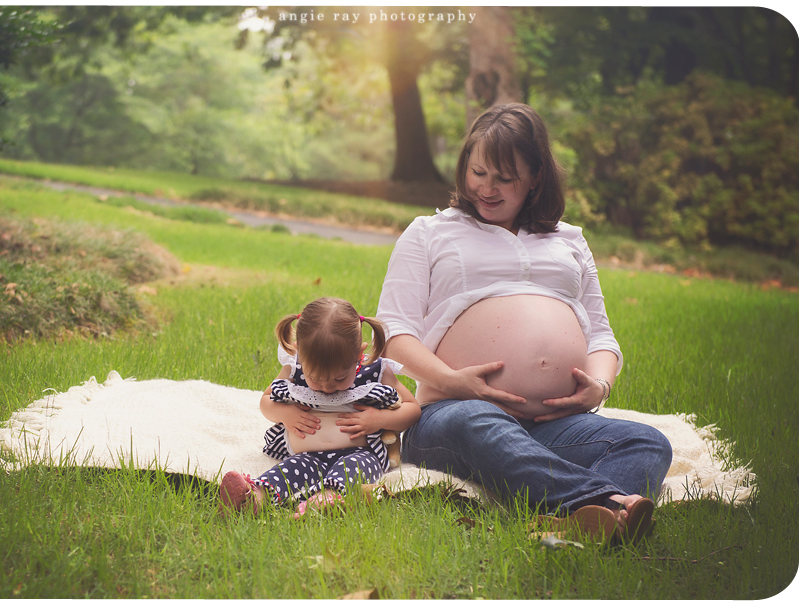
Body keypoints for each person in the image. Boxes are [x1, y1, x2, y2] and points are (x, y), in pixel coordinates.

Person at [376, 103, 672, 542]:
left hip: (553, 425)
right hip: (452, 415)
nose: (487, 188)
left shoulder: (569, 240)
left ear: (535, 177)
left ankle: (576, 523)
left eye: (505, 178)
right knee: (477, 422)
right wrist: (453, 382)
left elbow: (601, 335)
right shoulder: (430, 232)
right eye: (479, 172)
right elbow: (393, 333)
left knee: (648, 443)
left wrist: (599, 386)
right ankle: (609, 503)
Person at [219, 297, 421, 517]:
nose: (326, 387)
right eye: (315, 378)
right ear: (298, 353)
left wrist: (379, 420)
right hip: (309, 455)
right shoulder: (294, 368)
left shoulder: (374, 371)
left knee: (353, 469)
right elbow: (266, 402)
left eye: (339, 378)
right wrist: (286, 414)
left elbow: (412, 408)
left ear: (358, 354)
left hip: (360, 452)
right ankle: (255, 497)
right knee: (289, 471)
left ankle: (328, 498)